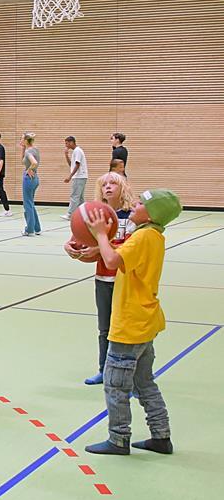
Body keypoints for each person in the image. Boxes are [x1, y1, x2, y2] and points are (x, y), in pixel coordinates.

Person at [82, 188, 182, 456]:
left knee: (115, 384)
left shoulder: (144, 237)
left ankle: (118, 439)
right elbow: (115, 253)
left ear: (152, 214)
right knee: (144, 382)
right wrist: (92, 249)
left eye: (140, 203)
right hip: (145, 321)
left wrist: (101, 234)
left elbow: (113, 260)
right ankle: (161, 436)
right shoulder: (151, 236)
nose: (135, 204)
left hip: (130, 324)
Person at [64, 171, 136, 385]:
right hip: (103, 279)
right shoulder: (94, 214)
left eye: (113, 183)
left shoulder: (132, 216)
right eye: (104, 184)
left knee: (126, 330)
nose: (108, 187)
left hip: (126, 281)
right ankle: (104, 370)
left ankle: (129, 376)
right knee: (104, 328)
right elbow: (79, 239)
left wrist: (98, 248)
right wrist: (72, 247)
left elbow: (129, 249)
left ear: (123, 187)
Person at [62, 136, 89, 219]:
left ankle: (70, 214)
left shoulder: (77, 151)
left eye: (67, 143)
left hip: (79, 176)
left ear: (71, 142)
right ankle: (84, 214)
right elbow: (72, 165)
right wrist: (66, 155)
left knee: (74, 196)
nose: (66, 145)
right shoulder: (75, 152)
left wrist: (70, 176)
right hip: (80, 176)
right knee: (80, 198)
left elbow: (77, 165)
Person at [20, 132, 41, 236]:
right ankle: (37, 228)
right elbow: (23, 161)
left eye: (21, 139)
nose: (20, 141)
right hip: (35, 178)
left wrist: (29, 170)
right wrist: (22, 149)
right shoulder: (34, 149)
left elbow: (34, 163)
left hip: (29, 179)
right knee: (31, 203)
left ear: (25, 140)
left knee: (27, 204)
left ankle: (29, 230)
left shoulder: (29, 151)